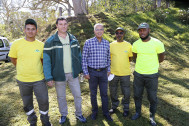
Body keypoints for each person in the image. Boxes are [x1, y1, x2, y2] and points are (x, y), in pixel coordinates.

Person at [43, 17, 86, 124]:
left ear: (67, 25)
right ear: (56, 26)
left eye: (65, 24)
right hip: (59, 74)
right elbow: (47, 61)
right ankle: (63, 115)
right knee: (61, 97)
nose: (63, 26)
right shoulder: (50, 41)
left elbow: (79, 56)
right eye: (61, 24)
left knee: (77, 95)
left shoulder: (73, 39)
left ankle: (79, 114)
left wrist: (80, 70)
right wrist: (48, 77)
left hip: (73, 73)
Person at [8, 19, 51, 126]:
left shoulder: (41, 45)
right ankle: (32, 121)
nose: (30, 31)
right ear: (24, 30)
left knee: (44, 101)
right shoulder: (16, 44)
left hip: (39, 79)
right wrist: (21, 68)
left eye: (33, 29)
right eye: (28, 29)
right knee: (27, 103)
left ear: (36, 31)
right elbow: (13, 58)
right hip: (23, 80)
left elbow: (42, 61)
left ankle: (45, 121)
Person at [131, 23, 165, 126]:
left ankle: (152, 116)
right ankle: (138, 113)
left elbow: (161, 58)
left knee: (152, 97)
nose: (142, 32)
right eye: (140, 30)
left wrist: (152, 65)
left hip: (152, 75)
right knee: (137, 95)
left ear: (149, 30)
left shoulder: (157, 43)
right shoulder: (136, 44)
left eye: (144, 30)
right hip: (138, 75)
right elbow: (135, 57)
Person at [82, 23, 113, 121]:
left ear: (103, 31)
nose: (99, 31)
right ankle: (94, 112)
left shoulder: (106, 43)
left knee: (104, 94)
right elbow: (84, 58)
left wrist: (108, 70)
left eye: (101, 29)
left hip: (103, 72)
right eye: (97, 29)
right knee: (93, 94)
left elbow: (108, 58)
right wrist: (86, 72)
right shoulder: (88, 42)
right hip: (92, 72)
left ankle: (106, 113)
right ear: (94, 31)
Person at [109, 27, 133, 117]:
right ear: (115, 34)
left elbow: (130, 57)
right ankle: (114, 106)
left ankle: (126, 108)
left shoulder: (128, 45)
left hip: (125, 73)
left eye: (121, 33)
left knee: (126, 92)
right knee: (113, 91)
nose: (119, 35)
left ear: (124, 34)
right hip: (113, 73)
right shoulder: (111, 45)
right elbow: (109, 58)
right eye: (117, 33)